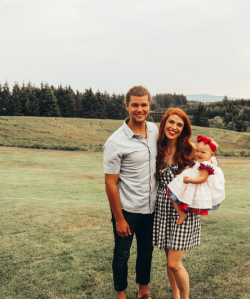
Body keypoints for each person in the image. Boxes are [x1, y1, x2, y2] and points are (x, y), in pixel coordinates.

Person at [104, 86, 157, 299]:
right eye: (134, 104)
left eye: (143, 104)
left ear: (149, 106)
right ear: (127, 106)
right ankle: (121, 295)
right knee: (122, 255)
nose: (139, 109)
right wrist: (119, 219)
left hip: (150, 207)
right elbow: (110, 183)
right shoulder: (115, 142)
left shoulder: (155, 130)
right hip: (126, 210)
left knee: (146, 253)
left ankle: (143, 293)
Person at [152, 108, 198, 299]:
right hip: (162, 208)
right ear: (164, 123)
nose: (174, 127)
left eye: (180, 125)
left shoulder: (190, 149)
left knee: (174, 263)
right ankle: (176, 297)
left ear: (184, 129)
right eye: (171, 122)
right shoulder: (156, 147)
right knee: (168, 260)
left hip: (183, 210)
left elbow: (205, 173)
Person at [167, 135, 225, 225]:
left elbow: (203, 178)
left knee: (172, 192)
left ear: (211, 154)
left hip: (194, 182)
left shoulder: (205, 165)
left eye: (203, 152)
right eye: (197, 151)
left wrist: (190, 180)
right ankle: (182, 213)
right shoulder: (205, 161)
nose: (198, 154)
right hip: (192, 178)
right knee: (175, 194)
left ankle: (181, 214)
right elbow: (196, 168)